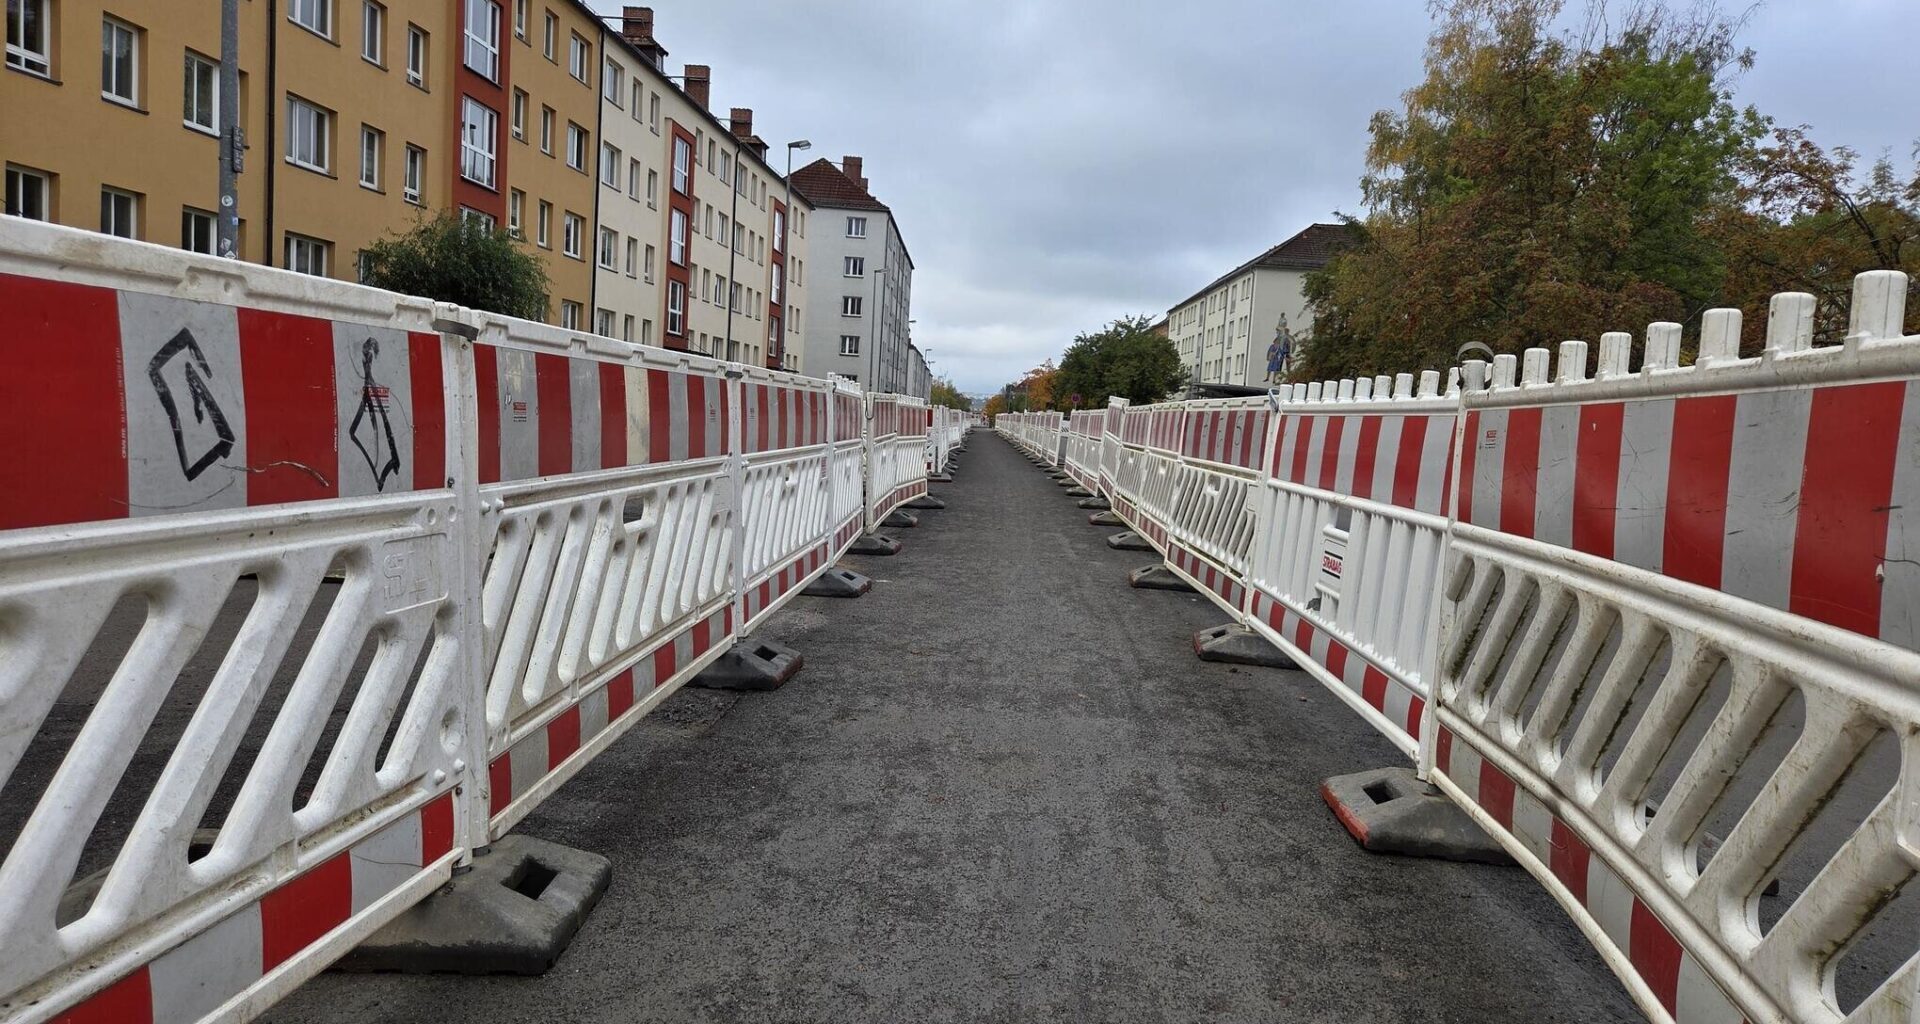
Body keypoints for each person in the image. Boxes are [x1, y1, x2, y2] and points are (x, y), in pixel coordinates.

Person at [1266, 315, 1295, 384]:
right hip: (1281, 354)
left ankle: (1288, 378)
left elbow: (1292, 344)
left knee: (1286, 367)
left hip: (1286, 353)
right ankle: (1276, 379)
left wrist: (1290, 352)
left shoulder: (1288, 338)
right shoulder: (1280, 338)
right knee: (1277, 367)